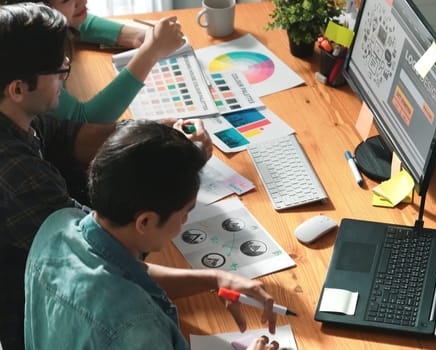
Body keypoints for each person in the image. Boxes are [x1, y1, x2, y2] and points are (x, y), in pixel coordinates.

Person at [0, 3, 211, 348]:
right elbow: (108, 242)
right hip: (45, 314)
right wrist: (179, 165)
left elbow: (71, 137)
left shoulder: (19, 112)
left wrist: (159, 136)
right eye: (59, 71)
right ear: (18, 88)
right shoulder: (15, 174)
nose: (65, 75)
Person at [24, 120, 281, 349]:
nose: (185, 221)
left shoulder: (57, 226)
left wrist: (214, 279)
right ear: (145, 221)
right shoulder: (139, 327)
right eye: (185, 212)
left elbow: (123, 271)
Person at [3, 0, 185, 123]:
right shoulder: (26, 63)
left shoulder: (18, 29)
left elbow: (80, 21)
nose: (83, 1)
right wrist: (150, 53)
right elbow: (87, 120)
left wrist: (136, 36)